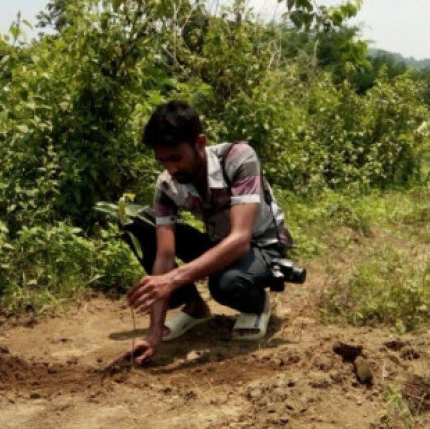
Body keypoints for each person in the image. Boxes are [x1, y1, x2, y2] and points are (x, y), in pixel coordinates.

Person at [118, 100, 300, 365]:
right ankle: (195, 307)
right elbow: (164, 255)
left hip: (260, 244)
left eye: (176, 157)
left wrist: (171, 279)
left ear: (200, 143)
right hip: (220, 243)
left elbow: (240, 240)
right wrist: (153, 332)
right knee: (142, 224)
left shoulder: (238, 159)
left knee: (226, 284)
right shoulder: (168, 184)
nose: (170, 168)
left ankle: (257, 303)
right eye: (163, 160)